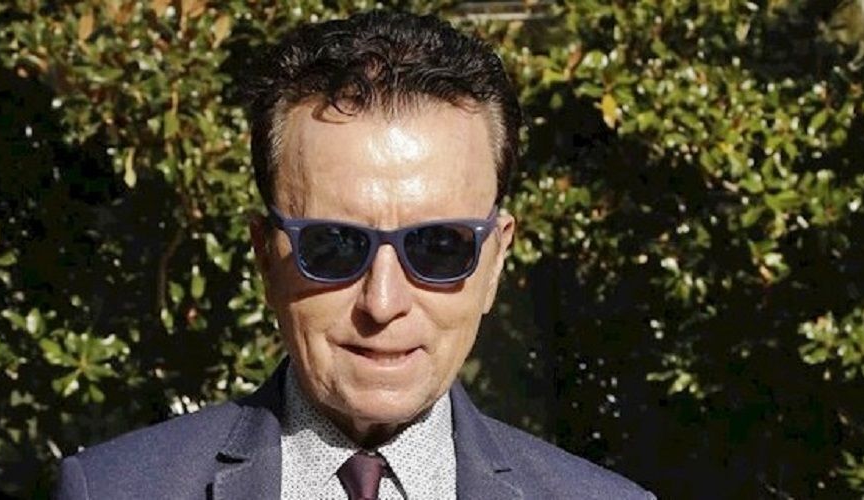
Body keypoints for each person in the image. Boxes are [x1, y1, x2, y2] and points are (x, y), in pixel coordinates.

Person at [56, 10, 654, 499]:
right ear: (265, 257)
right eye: (334, 245)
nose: (383, 302)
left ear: (495, 261)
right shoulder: (113, 491)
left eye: (438, 247)